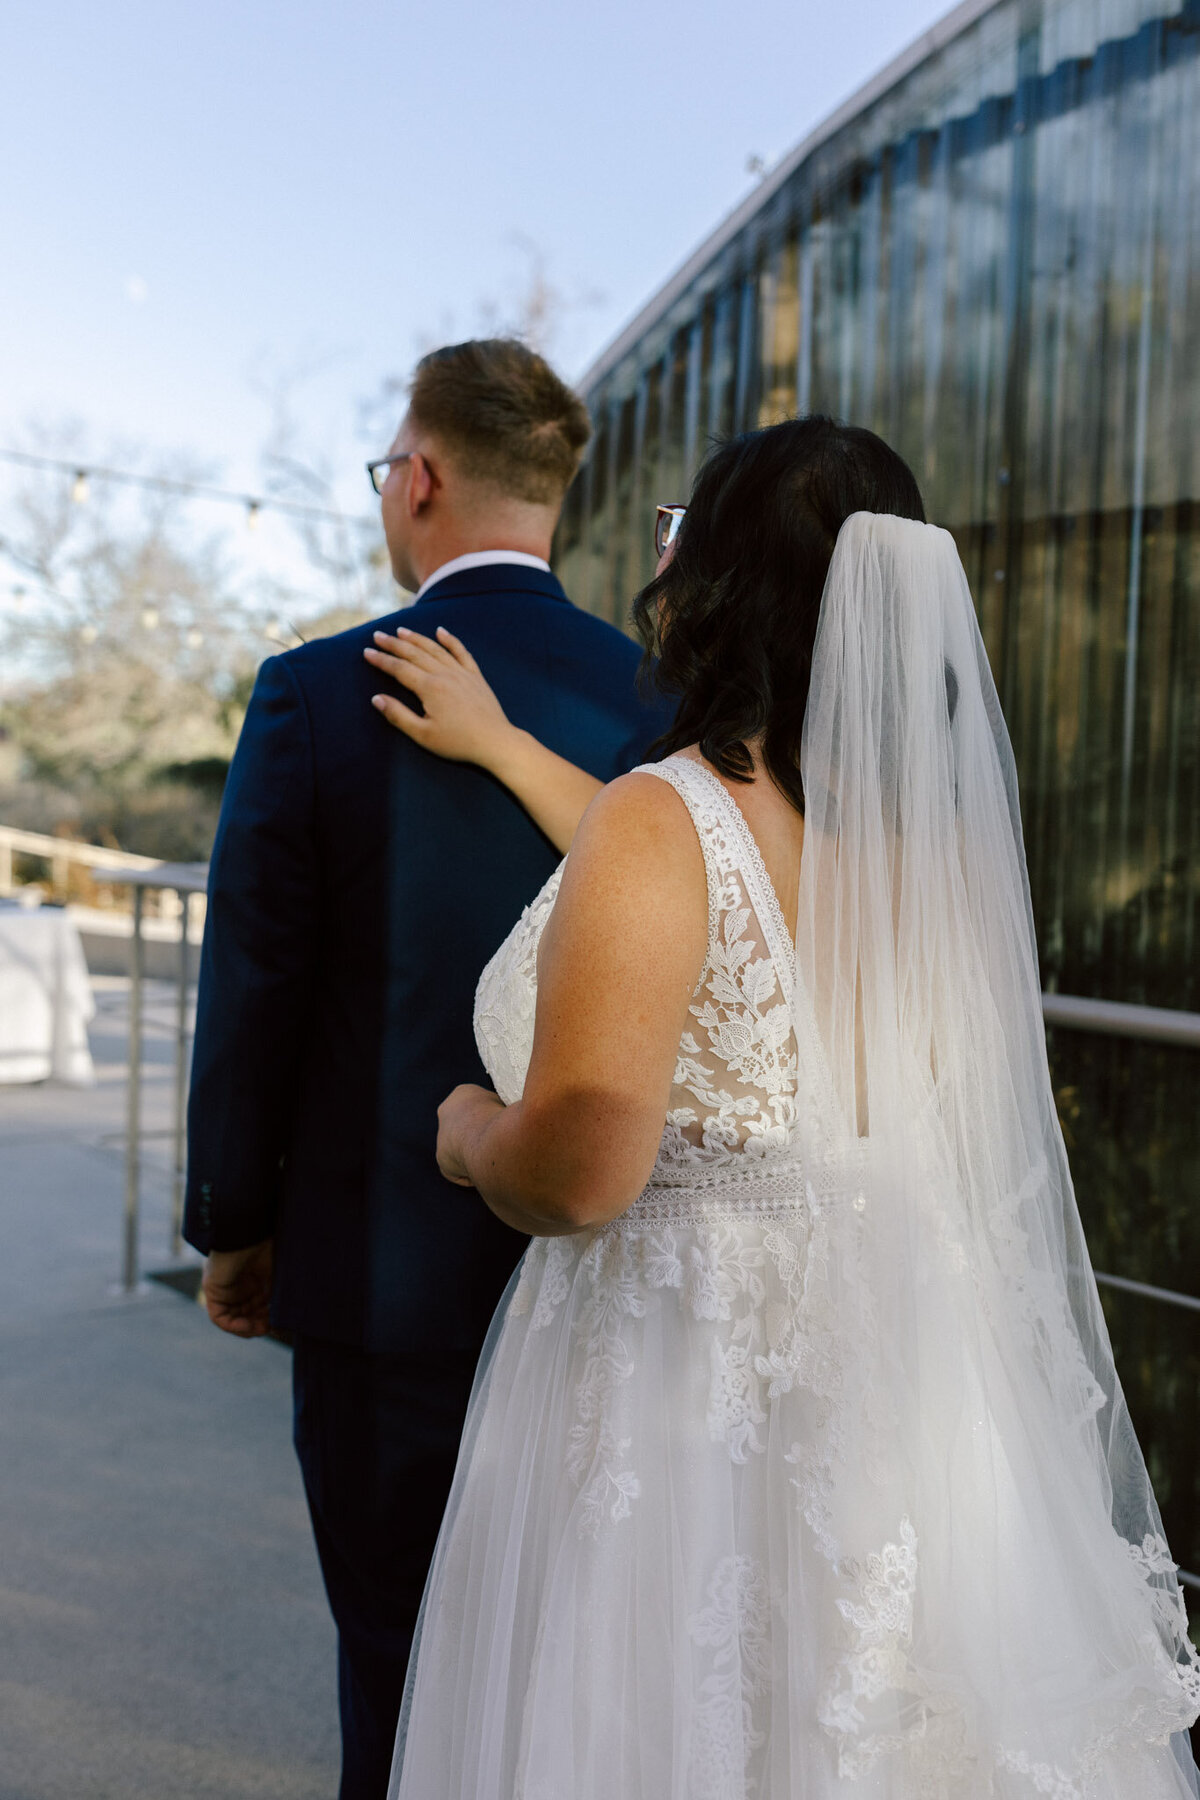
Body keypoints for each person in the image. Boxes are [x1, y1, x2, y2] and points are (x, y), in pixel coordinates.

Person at [368, 416, 1200, 1798]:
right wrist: (512, 752)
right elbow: (713, 899)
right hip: (910, 1385)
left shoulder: (666, 819)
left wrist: (465, 1135)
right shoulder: (925, 853)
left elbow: (578, 1177)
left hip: (684, 1384)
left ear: (719, 580)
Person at [183, 337, 673, 1800]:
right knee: (564, 1677)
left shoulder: (316, 694)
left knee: (393, 1658)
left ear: (424, 478)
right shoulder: (664, 708)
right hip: (611, 1277)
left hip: (376, 1276)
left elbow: (254, 985)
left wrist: (235, 1226)